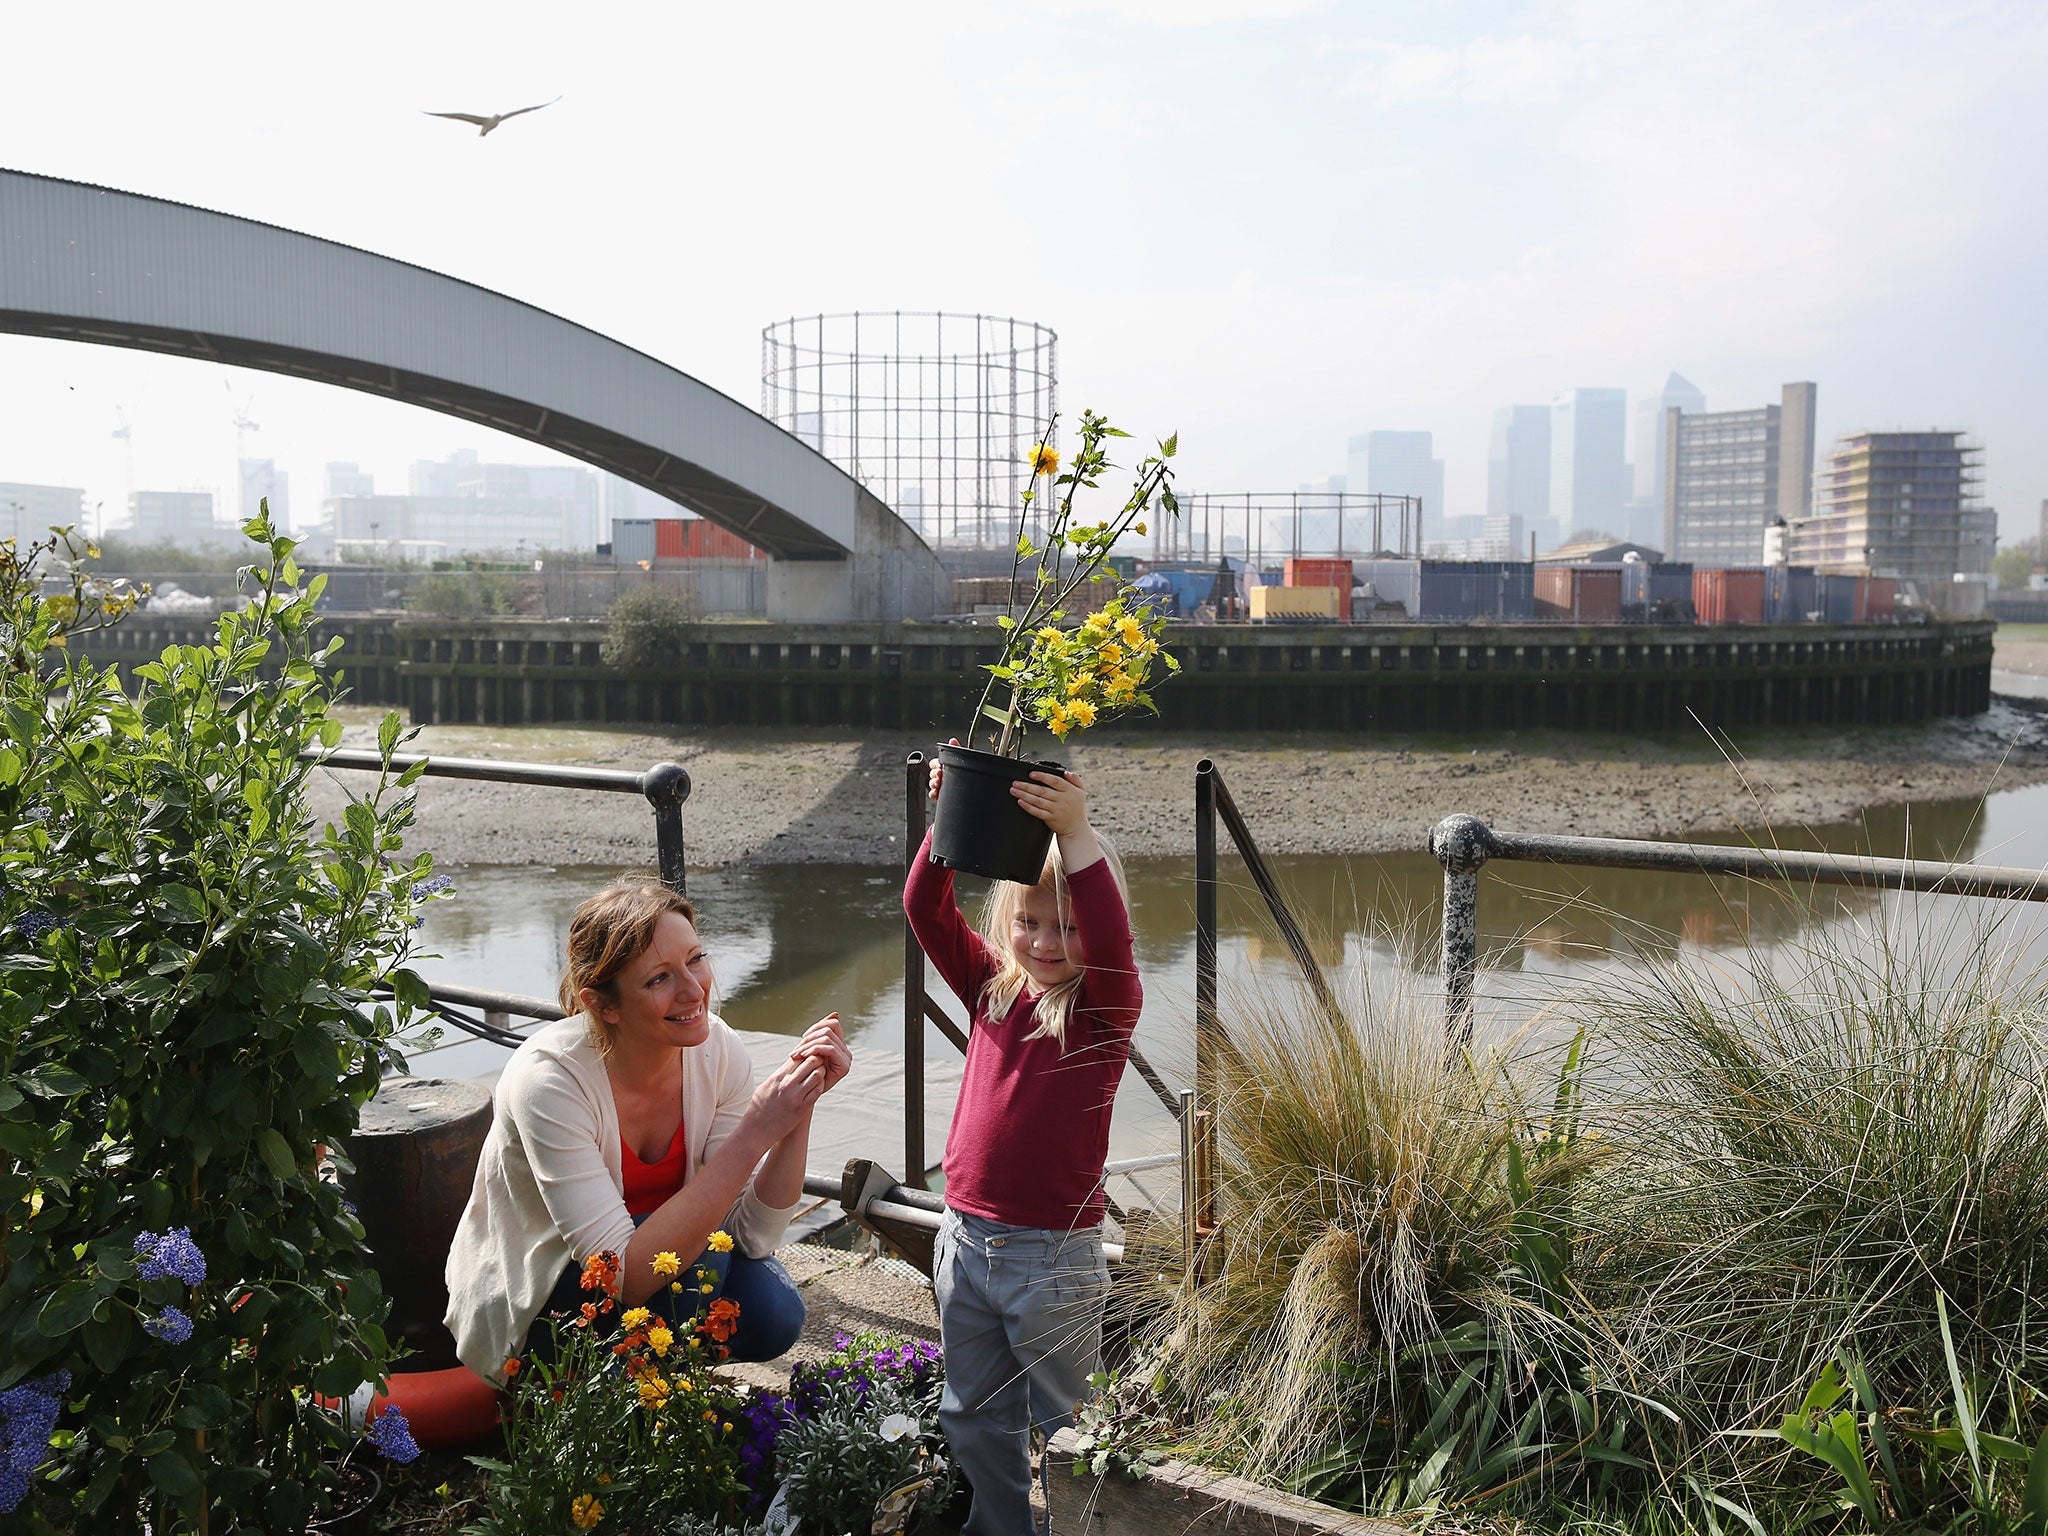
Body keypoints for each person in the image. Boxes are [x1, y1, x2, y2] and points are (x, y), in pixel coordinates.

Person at [444, 881, 850, 1382]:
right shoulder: (549, 1080)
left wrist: (796, 1108)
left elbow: (755, 1236)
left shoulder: (715, 1049)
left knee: (773, 1311)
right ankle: (598, 1397)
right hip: (546, 1295)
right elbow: (625, 1280)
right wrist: (753, 1133)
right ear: (603, 1005)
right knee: (704, 1258)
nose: (694, 988)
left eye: (696, 958)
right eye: (659, 978)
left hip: (663, 1282)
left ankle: (649, 1384)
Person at [906, 741, 1142, 1536]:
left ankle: (1090, 1530)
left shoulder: (1105, 1009)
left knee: (1076, 1429)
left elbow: (1108, 940)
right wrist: (948, 821)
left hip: (1051, 1260)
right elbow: (923, 909)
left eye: (1065, 927)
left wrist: (1075, 833)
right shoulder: (992, 991)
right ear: (1006, 922)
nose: (1046, 942)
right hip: (965, 1239)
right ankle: (1002, 1528)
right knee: (973, 1416)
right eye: (1030, 923)